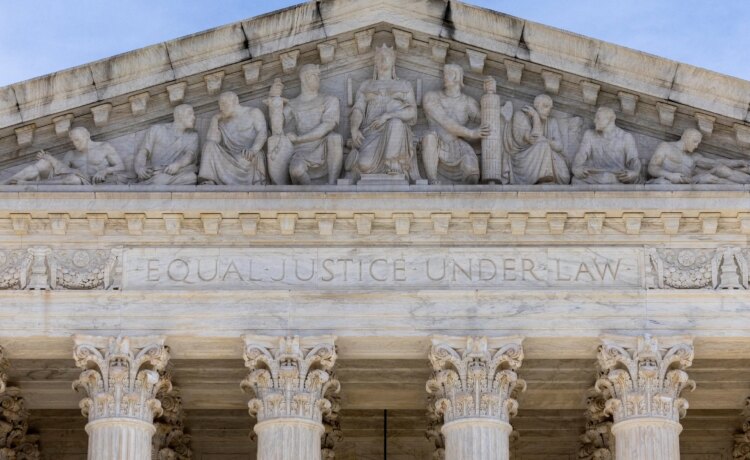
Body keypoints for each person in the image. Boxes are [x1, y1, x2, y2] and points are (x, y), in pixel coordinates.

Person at [345, 44, 421, 182]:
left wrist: (387, 116)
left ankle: (393, 163)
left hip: (396, 133)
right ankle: (357, 161)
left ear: (393, 60)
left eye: (387, 56)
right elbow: (358, 109)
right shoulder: (366, 85)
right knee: (364, 164)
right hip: (372, 132)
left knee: (395, 123)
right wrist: (354, 129)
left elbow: (412, 113)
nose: (383, 59)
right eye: (379, 56)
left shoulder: (404, 85)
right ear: (375, 61)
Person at [421, 64, 487, 185]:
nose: (445, 77)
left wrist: (492, 101)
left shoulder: (468, 102)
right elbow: (445, 121)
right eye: (445, 74)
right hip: (437, 145)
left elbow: (486, 119)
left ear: (457, 77)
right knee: (429, 137)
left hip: (458, 146)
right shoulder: (431, 97)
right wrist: (472, 133)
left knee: (472, 174)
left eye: (449, 74)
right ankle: (432, 179)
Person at [4, 127, 127, 185]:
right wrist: (49, 159)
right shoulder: (71, 154)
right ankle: (6, 183)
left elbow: (121, 166)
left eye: (77, 140)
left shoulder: (104, 147)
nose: (75, 144)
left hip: (90, 182)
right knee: (43, 163)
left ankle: (30, 184)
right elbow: (62, 171)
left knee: (74, 180)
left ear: (87, 135)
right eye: (73, 141)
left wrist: (105, 171)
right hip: (72, 178)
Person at [284, 64, 343, 185]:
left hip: (323, 148)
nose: (318, 78)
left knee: (335, 138)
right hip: (301, 150)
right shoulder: (292, 104)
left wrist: (299, 139)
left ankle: (332, 186)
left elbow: (327, 126)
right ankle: (311, 192)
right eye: (313, 75)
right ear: (303, 78)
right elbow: (278, 127)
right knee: (296, 170)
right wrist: (274, 101)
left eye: (318, 75)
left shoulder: (329, 100)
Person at [199, 91, 268, 185]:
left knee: (248, 158)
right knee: (209, 145)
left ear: (235, 101)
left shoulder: (253, 112)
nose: (221, 108)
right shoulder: (222, 122)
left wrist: (253, 149)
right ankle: (208, 181)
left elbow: (262, 133)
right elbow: (212, 140)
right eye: (220, 105)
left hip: (247, 155)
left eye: (224, 104)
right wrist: (215, 119)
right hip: (228, 156)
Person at [502, 94, 570, 184]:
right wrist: (535, 117)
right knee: (543, 146)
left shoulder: (552, 121)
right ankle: (544, 179)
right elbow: (534, 138)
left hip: (544, 153)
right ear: (536, 106)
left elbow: (559, 146)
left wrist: (545, 140)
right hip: (523, 158)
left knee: (565, 176)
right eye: (545, 106)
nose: (549, 110)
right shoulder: (520, 116)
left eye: (550, 108)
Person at [648, 128, 750, 184]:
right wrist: (669, 175)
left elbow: (715, 162)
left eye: (698, 143)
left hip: (691, 181)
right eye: (695, 141)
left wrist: (738, 162)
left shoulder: (693, 157)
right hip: (673, 181)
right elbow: (652, 167)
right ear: (686, 137)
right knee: (711, 179)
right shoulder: (666, 146)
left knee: (721, 169)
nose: (696, 146)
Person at [572, 107, 641, 185]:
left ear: (610, 119)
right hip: (594, 176)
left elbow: (633, 159)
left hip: (617, 176)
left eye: (598, 118)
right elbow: (581, 155)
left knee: (609, 178)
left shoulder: (625, 137)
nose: (594, 121)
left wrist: (635, 172)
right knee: (575, 181)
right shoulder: (589, 135)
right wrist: (576, 168)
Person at [134, 104, 200, 185]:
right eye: (190, 113)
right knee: (159, 179)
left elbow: (190, 155)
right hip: (157, 172)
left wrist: (178, 165)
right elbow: (143, 151)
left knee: (192, 177)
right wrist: (139, 167)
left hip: (178, 172)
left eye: (193, 114)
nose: (194, 117)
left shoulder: (193, 136)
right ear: (179, 115)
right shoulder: (157, 130)